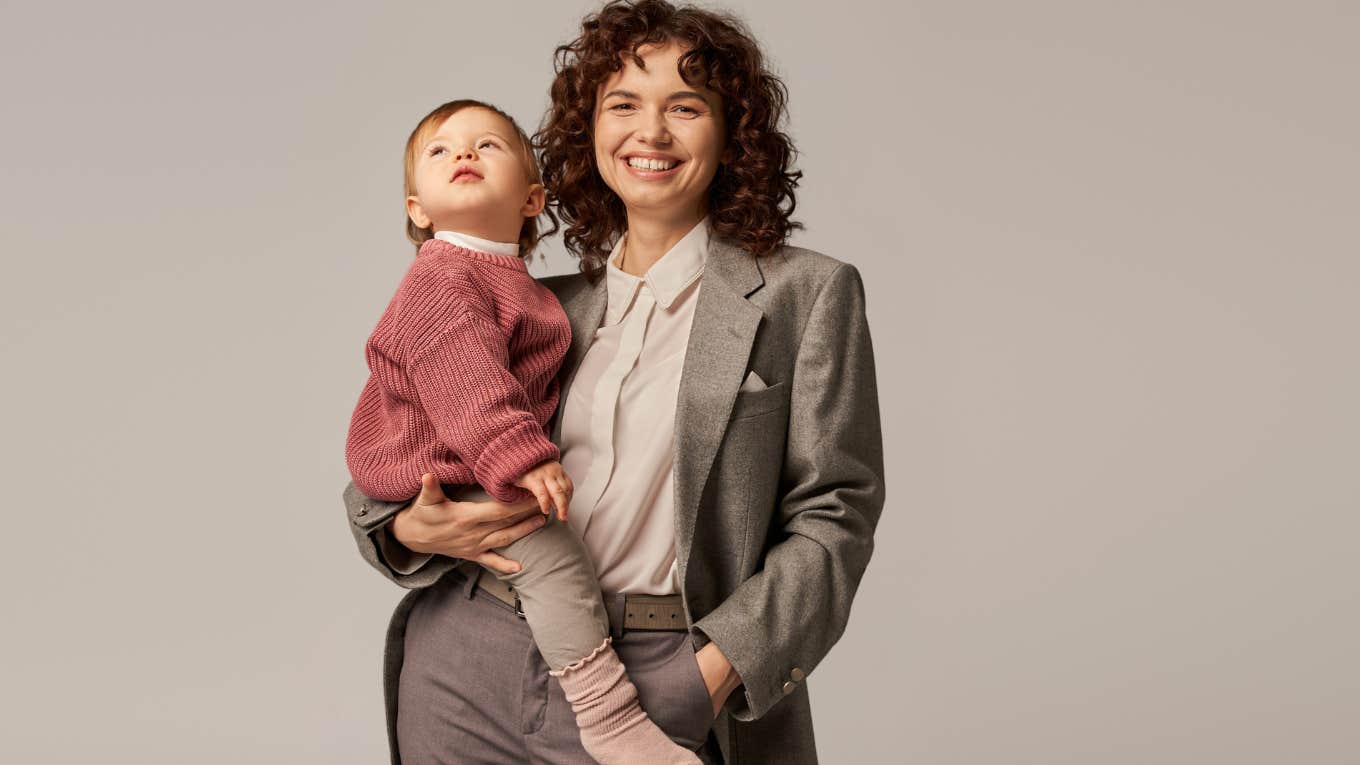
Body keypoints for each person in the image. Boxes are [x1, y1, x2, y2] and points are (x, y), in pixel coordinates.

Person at [343, 2, 885, 762]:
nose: (650, 133)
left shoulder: (809, 294)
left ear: (732, 135)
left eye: (685, 106)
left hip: (663, 673)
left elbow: (837, 515)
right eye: (623, 104)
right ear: (587, 129)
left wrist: (709, 675)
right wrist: (402, 528)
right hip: (467, 660)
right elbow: (405, 433)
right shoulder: (538, 306)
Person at [345, 98, 699, 764]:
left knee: (544, 543)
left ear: (534, 198)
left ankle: (603, 710)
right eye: (441, 151)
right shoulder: (443, 274)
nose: (464, 156)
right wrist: (516, 458)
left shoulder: (528, 289)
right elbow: (465, 379)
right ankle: (608, 712)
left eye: (487, 146)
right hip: (455, 484)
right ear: (417, 208)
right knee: (549, 544)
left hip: (657, 640)